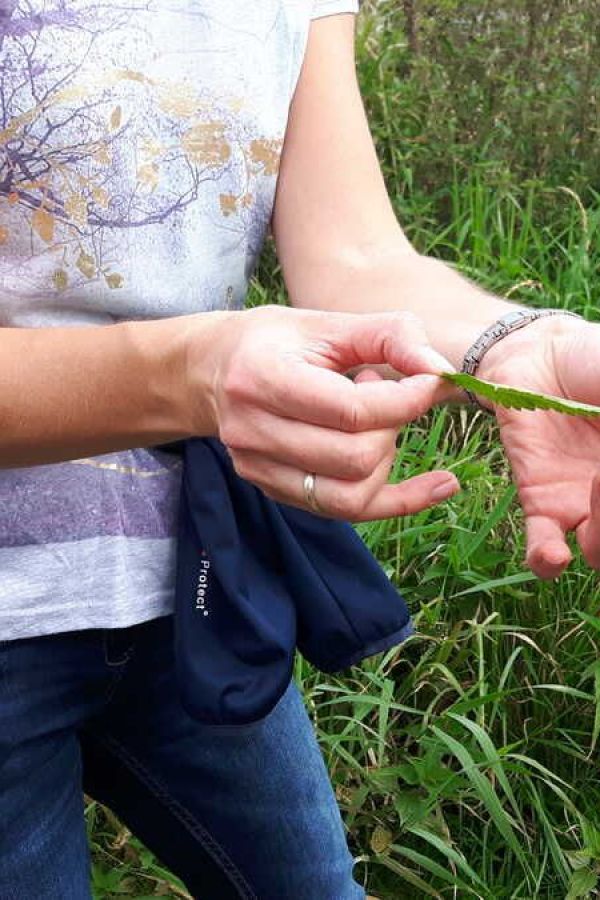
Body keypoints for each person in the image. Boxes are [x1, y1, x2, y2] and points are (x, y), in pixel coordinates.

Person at [1, 2, 599, 898]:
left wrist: (514, 346)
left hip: (197, 575)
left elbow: (352, 253)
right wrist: (194, 370)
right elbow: (199, 363)